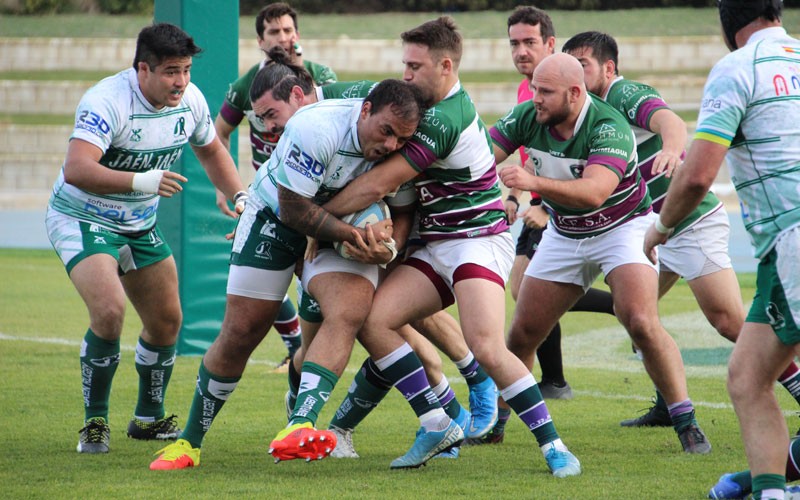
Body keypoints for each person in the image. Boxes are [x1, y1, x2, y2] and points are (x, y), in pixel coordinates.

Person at [150, 77, 465, 470]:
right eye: (385, 132)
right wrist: (352, 234)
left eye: (401, 140)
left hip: (336, 235)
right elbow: (294, 210)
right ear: (365, 110)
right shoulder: (316, 127)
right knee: (242, 332)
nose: (390, 146)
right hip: (275, 220)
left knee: (350, 313)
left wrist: (388, 247)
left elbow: (403, 212)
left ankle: (300, 425)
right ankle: (189, 443)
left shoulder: (398, 148)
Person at [320, 17, 581, 477]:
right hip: (436, 242)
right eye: (403, 65)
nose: (405, 75)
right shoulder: (424, 105)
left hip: (476, 241)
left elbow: (379, 182)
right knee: (375, 321)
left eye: (414, 66)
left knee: (484, 344)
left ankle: (555, 447)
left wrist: (312, 220)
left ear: (444, 66)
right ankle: (437, 420)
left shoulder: (442, 118)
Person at [562, 30, 800, 430]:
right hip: (653, 229)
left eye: (583, 64)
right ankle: (667, 402)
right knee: (634, 315)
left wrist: (672, 148)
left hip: (690, 223)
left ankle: (796, 385)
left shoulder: (624, 94)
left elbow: (668, 120)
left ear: (608, 67)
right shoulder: (589, 109)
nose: (576, 73)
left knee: (727, 320)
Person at [493, 52, 711, 454]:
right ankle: (497, 422)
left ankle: (686, 421)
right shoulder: (528, 115)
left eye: (546, 91)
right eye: (535, 89)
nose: (535, 98)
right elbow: (484, 154)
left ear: (575, 94)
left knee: (641, 322)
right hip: (565, 232)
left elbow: (594, 192)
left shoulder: (609, 125)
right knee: (522, 332)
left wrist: (530, 180)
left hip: (622, 229)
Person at [44, 23, 247, 454]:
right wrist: (141, 181)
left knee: (167, 321)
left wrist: (240, 195)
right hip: (83, 217)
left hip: (138, 224)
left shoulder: (188, 101)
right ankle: (95, 422)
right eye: (171, 71)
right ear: (143, 69)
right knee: (110, 310)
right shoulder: (106, 101)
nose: (182, 82)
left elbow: (211, 149)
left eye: (187, 70)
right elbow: (77, 168)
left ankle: (148, 419)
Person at [643, 1, 800, 497]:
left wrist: (662, 226)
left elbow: (700, 171)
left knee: (750, 379)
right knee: (747, 375)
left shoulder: (738, 68)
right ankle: (763, 486)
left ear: (726, 24)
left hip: (793, 237)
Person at [496, 6, 617, 409]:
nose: (521, 51)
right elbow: (529, 153)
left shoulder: (567, 92)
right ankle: (552, 380)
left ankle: (555, 377)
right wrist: (515, 197)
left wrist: (544, 206)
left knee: (526, 286)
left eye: (530, 42)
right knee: (523, 289)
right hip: (540, 198)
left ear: (550, 44)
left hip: (568, 207)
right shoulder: (528, 94)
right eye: (514, 43)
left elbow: (579, 169)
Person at [215, 2, 338, 372]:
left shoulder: (318, 76)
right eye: (273, 32)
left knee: (310, 273)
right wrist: (227, 186)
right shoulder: (246, 86)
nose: (282, 38)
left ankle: (304, 350)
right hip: (269, 192)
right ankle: (297, 347)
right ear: (259, 40)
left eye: (287, 30)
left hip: (317, 190)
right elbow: (218, 134)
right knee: (258, 275)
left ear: (296, 35)